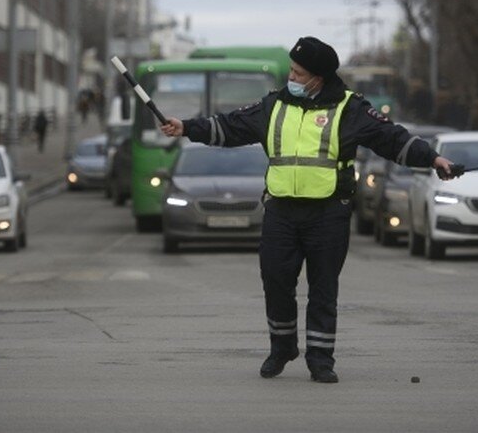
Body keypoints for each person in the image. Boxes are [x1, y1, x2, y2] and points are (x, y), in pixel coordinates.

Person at [159, 37, 456, 384]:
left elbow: (392, 139)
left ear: (319, 77)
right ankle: (282, 347)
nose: (292, 78)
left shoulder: (351, 108)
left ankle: (320, 359)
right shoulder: (273, 105)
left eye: (299, 73)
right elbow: (231, 126)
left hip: (328, 212)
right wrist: (187, 128)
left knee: (323, 288)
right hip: (281, 212)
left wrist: (433, 159)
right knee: (276, 281)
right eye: (292, 71)